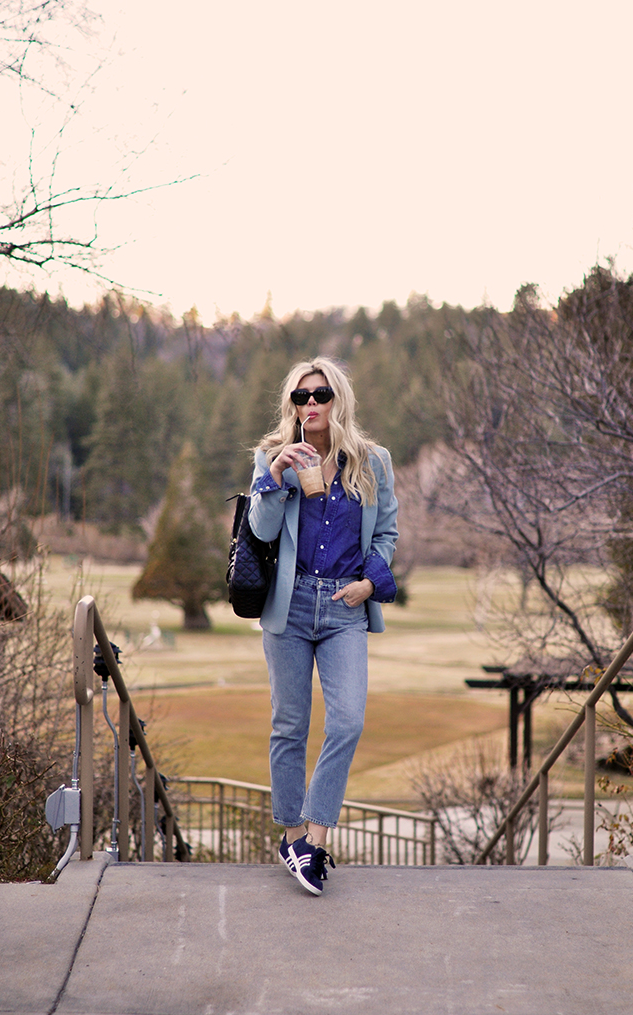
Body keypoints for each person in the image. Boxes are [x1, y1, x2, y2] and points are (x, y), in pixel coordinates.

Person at [249, 357, 398, 895]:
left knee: (348, 721)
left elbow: (386, 534)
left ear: (338, 400)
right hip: (289, 607)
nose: (311, 405)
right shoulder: (271, 458)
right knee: (289, 726)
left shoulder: (372, 461)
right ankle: (294, 839)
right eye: (301, 398)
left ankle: (313, 838)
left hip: (343, 607)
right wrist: (276, 475)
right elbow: (262, 532)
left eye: (321, 395)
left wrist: (368, 583)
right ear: (291, 405)